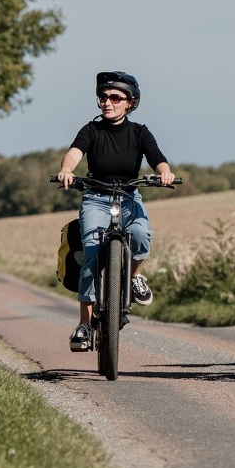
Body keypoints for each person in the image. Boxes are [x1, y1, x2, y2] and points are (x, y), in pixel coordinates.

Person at [57, 71, 177, 352]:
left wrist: (165, 172)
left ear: (130, 103)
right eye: (103, 97)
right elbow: (75, 152)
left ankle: (134, 276)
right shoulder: (91, 130)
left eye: (115, 97)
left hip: (129, 197)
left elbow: (157, 157)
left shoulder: (139, 133)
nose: (107, 102)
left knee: (140, 234)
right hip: (96, 198)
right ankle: (84, 324)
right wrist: (66, 169)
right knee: (90, 250)